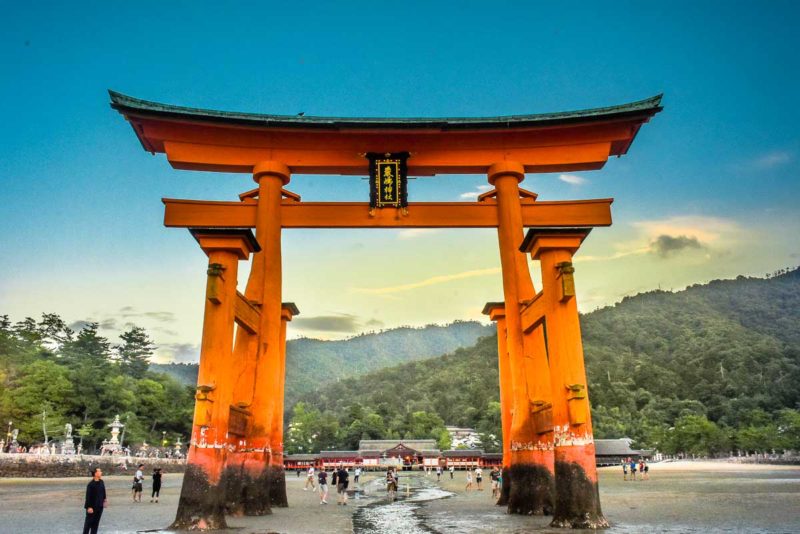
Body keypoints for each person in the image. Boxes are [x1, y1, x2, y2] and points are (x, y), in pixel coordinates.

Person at [83, 467, 107, 534]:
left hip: (100, 506)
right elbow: (88, 497)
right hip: (92, 507)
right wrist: (89, 507)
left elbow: (103, 492)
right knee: (88, 525)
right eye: (100, 471)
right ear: (96, 473)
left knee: (95, 524)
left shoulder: (102, 482)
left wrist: (105, 500)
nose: (101, 472)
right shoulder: (90, 485)